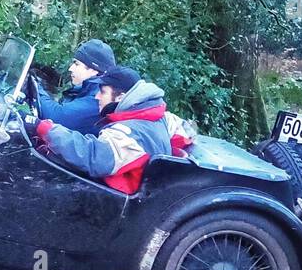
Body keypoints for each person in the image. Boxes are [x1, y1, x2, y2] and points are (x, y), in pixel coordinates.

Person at [32, 66, 195, 195]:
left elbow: (93, 156)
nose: (97, 97)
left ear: (121, 97)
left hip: (115, 206)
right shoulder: (159, 116)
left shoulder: (129, 134)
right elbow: (186, 131)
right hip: (130, 192)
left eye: (102, 92)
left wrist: (44, 128)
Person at [28, 38, 117, 134]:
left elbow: (57, 117)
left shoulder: (98, 98)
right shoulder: (85, 89)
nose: (71, 68)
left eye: (76, 64)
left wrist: (33, 86)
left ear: (94, 70)